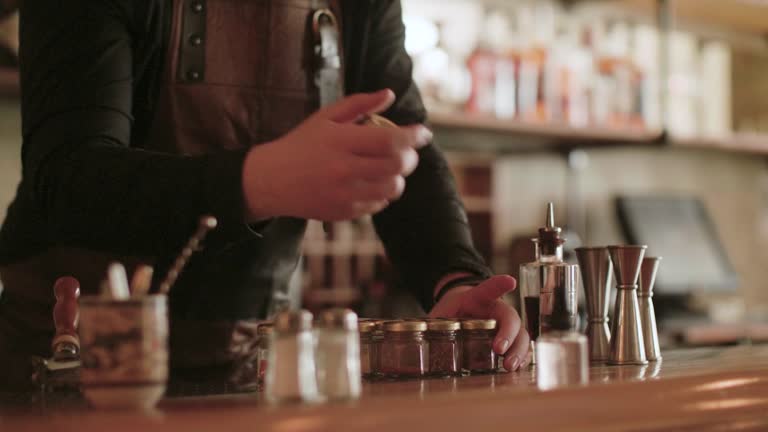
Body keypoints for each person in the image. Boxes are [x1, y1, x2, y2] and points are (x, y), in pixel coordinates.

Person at [0, 0, 529, 388]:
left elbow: (402, 144)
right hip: (73, 364)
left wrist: (455, 281)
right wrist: (258, 182)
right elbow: (68, 177)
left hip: (254, 365)